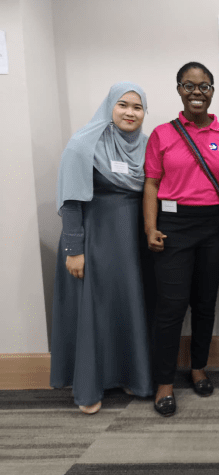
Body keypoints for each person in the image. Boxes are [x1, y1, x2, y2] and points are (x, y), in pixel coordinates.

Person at [144, 62, 219, 417]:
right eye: (189, 86)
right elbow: (151, 184)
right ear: (179, 90)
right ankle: (164, 382)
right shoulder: (162, 134)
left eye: (204, 86)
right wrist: (150, 228)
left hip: (214, 227)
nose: (197, 92)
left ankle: (198, 367)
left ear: (212, 91)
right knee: (170, 307)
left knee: (204, 303)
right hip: (173, 225)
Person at [51, 82, 153, 414]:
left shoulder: (147, 146)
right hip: (94, 242)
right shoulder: (84, 144)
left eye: (137, 107)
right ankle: (89, 387)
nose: (130, 112)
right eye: (123, 105)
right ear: (110, 106)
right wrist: (73, 250)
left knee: (127, 308)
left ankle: (129, 375)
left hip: (131, 245)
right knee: (94, 312)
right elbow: (70, 201)